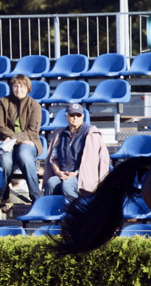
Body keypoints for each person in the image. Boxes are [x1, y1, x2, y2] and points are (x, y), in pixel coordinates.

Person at [43, 103, 110, 199]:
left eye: (78, 115)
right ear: (66, 116)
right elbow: (53, 158)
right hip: (62, 173)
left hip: (81, 175)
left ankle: (75, 212)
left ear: (82, 116)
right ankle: (50, 211)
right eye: (72, 115)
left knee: (68, 185)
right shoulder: (60, 134)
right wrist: (58, 172)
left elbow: (92, 161)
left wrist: (76, 173)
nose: (75, 118)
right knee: (51, 183)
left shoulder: (90, 134)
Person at [0, 74, 43, 204]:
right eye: (15, 86)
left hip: (29, 141)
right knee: (5, 160)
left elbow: (32, 131)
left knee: (24, 155)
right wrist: (13, 139)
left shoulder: (34, 105)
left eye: (22, 86)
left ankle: (36, 196)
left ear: (28, 88)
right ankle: (4, 194)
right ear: (11, 87)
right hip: (7, 143)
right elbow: (0, 126)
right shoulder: (3, 102)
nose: (19, 89)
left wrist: (14, 138)